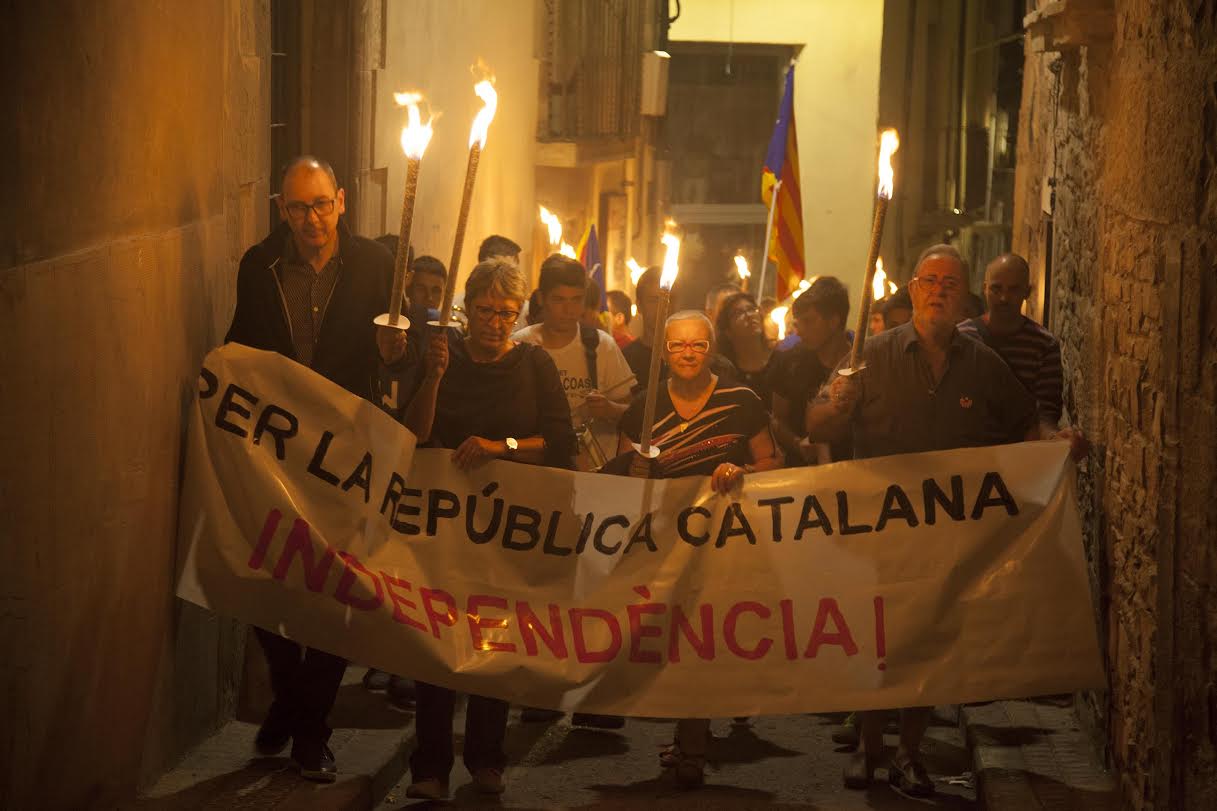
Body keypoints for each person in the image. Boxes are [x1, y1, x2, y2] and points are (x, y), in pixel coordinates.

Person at [806, 244, 1045, 797]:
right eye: (930, 281)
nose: (939, 291)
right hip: (879, 535)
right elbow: (816, 424)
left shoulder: (983, 365)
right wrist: (838, 404)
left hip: (945, 539)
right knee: (877, 642)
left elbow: (1028, 426)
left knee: (927, 646)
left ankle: (909, 754)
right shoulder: (870, 355)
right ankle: (869, 747)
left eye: (950, 284)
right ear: (913, 289)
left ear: (964, 297)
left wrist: (1058, 448)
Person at [226, 156, 401, 783]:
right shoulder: (260, 266)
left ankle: (310, 731)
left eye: (321, 204)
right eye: (299, 207)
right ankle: (291, 695)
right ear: (282, 209)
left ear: (341, 201)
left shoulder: (376, 266)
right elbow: (240, 348)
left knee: (336, 592)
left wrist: (397, 353)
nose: (312, 219)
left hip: (347, 455)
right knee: (264, 579)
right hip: (276, 448)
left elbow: (398, 365)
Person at [397, 259, 576, 800]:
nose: (495, 323)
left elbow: (558, 442)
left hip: (505, 530)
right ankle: (430, 767)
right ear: (466, 308)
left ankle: (486, 756)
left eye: (505, 313)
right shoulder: (441, 352)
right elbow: (413, 433)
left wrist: (502, 448)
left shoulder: (534, 364)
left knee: (494, 639)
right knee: (436, 645)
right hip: (442, 528)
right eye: (484, 311)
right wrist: (433, 377)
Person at [611, 310, 782, 788]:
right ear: (663, 352)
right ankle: (688, 735)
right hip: (665, 544)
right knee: (674, 640)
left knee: (702, 638)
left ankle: (693, 746)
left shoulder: (741, 402)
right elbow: (623, 476)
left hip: (726, 543)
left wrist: (744, 471)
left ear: (712, 350)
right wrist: (635, 473)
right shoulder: (642, 409)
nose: (688, 353)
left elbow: (773, 461)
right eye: (678, 345)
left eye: (698, 345)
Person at [514, 255, 636, 474]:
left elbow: (631, 412)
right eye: (559, 299)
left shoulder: (601, 346)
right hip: (536, 471)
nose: (569, 310)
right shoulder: (521, 344)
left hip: (594, 473)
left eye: (576, 300)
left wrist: (609, 408)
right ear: (541, 298)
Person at [958, 253, 1065, 434]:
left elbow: (1045, 413)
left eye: (1013, 289)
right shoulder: (962, 337)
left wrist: (1053, 438)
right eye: (996, 288)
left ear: (1027, 292)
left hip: (1018, 448)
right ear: (985, 289)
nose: (1004, 298)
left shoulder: (1044, 345)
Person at [767, 277, 852, 465]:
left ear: (833, 321)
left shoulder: (861, 362)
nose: (798, 331)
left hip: (855, 468)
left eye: (808, 321)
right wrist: (797, 443)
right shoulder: (789, 361)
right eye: (798, 323)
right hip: (801, 472)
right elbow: (777, 419)